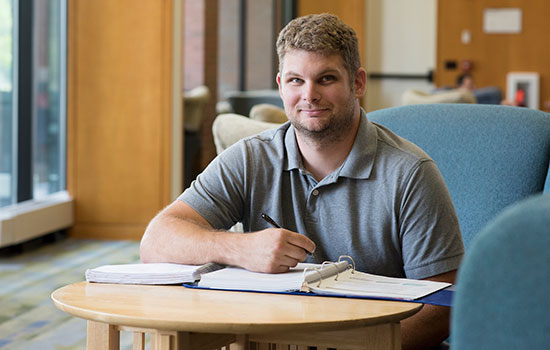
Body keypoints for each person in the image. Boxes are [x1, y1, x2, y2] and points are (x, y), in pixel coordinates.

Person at [140, 13, 464, 350]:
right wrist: (242, 248)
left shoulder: (410, 172)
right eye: (296, 80)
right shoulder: (251, 158)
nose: (309, 95)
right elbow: (156, 241)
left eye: (326, 79)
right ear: (280, 86)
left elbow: (442, 306)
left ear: (357, 83)